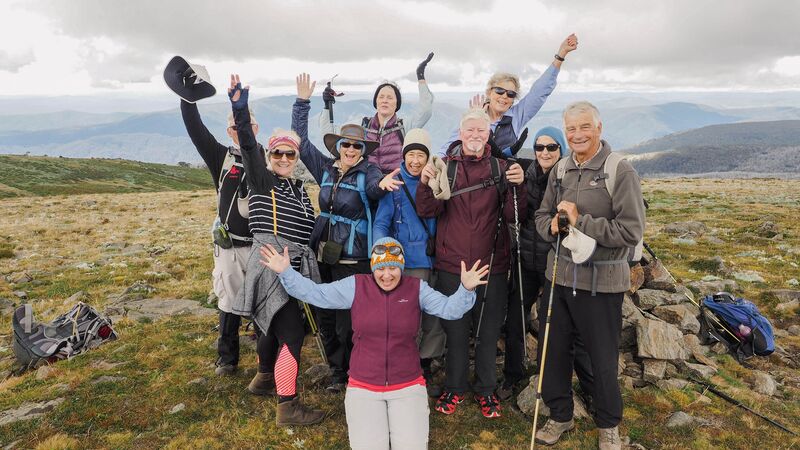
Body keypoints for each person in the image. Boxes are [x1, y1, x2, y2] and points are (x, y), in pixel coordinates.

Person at [259, 237, 489, 450]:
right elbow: (317, 294)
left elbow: (450, 309)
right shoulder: (356, 286)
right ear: (372, 267)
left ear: (401, 267)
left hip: (407, 386)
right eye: (380, 268)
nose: (387, 275)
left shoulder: (417, 288)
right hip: (363, 387)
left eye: (393, 268)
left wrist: (466, 289)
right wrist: (286, 272)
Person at [534, 101, 645, 449]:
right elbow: (541, 218)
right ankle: (560, 415)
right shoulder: (561, 170)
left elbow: (631, 232)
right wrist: (552, 225)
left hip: (601, 283)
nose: (577, 135)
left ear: (599, 128)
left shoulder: (619, 171)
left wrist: (582, 220)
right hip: (560, 278)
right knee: (551, 353)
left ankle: (608, 426)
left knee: (601, 357)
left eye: (584, 127)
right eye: (571, 129)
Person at [225, 75, 323, 426]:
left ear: (296, 157)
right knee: (292, 335)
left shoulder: (298, 189)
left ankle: (264, 378)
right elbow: (249, 148)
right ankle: (288, 406)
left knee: (270, 324)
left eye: (289, 153)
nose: (283, 157)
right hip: (271, 262)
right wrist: (240, 108)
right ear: (270, 155)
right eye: (277, 152)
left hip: (292, 264)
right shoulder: (262, 179)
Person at [416, 108, 526, 418]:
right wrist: (426, 183)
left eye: (481, 130)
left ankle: (486, 390)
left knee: (488, 332)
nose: (475, 135)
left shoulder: (501, 168)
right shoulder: (445, 168)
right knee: (456, 332)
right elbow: (427, 210)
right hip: (452, 266)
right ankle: (455, 387)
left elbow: (512, 214)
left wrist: (519, 184)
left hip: (492, 264)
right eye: (470, 131)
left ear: (488, 133)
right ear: (460, 134)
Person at [292, 73, 398, 393]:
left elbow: (374, 189)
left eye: (356, 146)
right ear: (338, 147)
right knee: (326, 316)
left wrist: (382, 186)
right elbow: (301, 141)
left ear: (363, 150)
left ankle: (355, 373)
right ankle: (338, 372)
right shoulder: (325, 169)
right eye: (345, 144)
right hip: (324, 254)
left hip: (354, 260)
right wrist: (302, 103)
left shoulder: (371, 172)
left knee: (348, 322)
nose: (350, 149)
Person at [498, 127, 595, 406]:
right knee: (516, 318)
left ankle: (559, 380)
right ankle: (513, 375)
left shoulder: (569, 179)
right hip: (527, 261)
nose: (544, 153)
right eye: (539, 147)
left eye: (551, 147)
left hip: (558, 262)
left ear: (561, 150)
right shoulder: (525, 175)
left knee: (558, 323)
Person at [178, 78, 259, 376]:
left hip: (262, 245)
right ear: (229, 132)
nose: (242, 130)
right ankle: (227, 359)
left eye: (247, 124)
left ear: (256, 129)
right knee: (228, 299)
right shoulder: (220, 157)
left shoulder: (269, 157)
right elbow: (195, 129)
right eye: (237, 127)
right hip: (230, 246)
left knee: (263, 300)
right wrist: (187, 97)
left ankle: (265, 351)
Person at [372, 128, 445, 397]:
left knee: (434, 316)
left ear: (428, 157)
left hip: (438, 259)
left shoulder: (438, 179)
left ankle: (425, 365)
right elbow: (381, 222)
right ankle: (406, 366)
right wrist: (382, 254)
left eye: (421, 155)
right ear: (404, 156)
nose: (415, 161)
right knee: (408, 317)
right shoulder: (396, 183)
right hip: (408, 262)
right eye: (411, 154)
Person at [439, 34, 578, 155]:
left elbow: (539, 92)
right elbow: (450, 146)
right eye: (499, 91)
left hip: (504, 181)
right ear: (489, 92)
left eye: (511, 94)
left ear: (513, 100)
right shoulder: (474, 115)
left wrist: (560, 55)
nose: (504, 96)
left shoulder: (516, 116)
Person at [321, 53, 435, 174]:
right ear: (376, 102)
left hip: (394, 185)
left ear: (397, 104)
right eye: (381, 97)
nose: (385, 100)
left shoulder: (403, 126)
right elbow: (330, 134)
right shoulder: (363, 125)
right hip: (367, 184)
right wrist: (326, 106)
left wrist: (420, 76)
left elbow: (425, 111)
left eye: (390, 97)